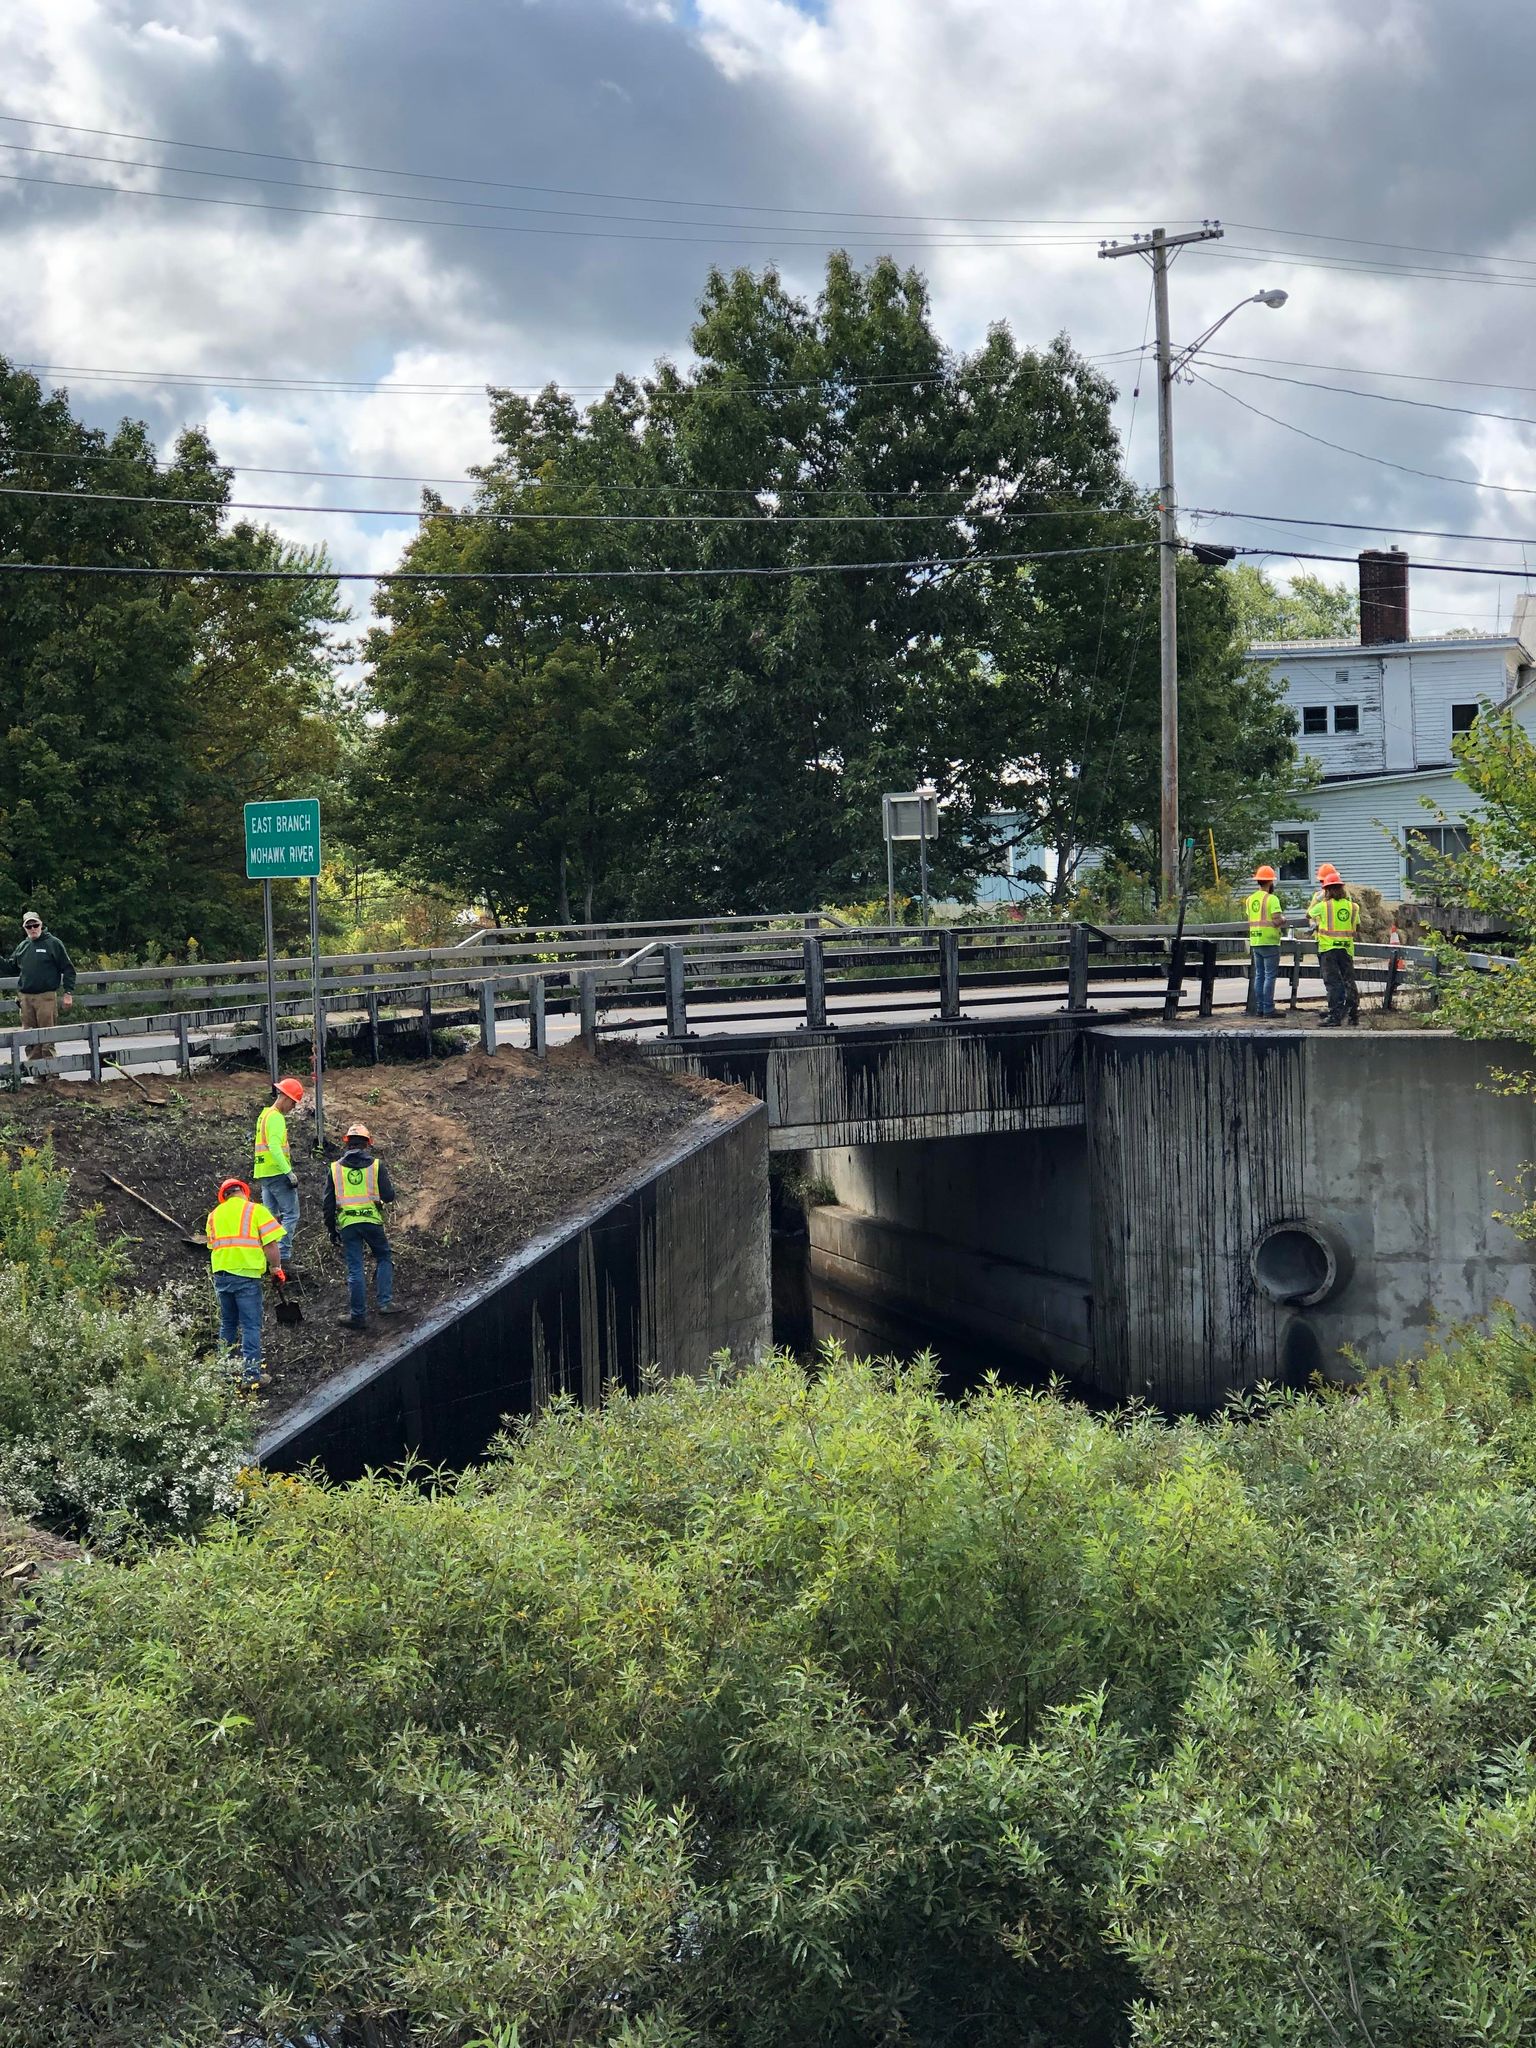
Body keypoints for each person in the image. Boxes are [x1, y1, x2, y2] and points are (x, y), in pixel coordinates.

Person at [203, 1176, 287, 1388]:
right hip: (246, 1276)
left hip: (221, 1276)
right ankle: (251, 1376)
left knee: (228, 1324)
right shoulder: (255, 1210)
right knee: (250, 1326)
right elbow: (271, 1244)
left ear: (224, 1196)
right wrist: (276, 1268)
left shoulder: (213, 1216)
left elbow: (213, 1246)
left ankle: (223, 1375)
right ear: (244, 1192)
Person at [324, 1121, 399, 1331]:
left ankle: (358, 1316)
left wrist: (331, 1229)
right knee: (383, 1256)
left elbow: (328, 1203)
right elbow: (389, 1196)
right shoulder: (376, 1166)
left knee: (355, 1269)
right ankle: (385, 1303)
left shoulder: (335, 1169)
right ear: (368, 1143)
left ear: (347, 1143)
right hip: (372, 1221)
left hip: (348, 1224)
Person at [9, 910, 76, 1064]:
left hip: (46, 997)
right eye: (29, 926)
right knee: (30, 1040)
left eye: (35, 925)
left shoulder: (53, 943)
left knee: (47, 1038)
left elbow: (68, 969)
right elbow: (11, 967)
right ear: (24, 928)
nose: (33, 929)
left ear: (41, 925)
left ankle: (52, 1074)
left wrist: (68, 992)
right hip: (25, 998)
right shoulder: (23, 946)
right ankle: (37, 1075)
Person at [253, 1077, 306, 1267]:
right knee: (291, 1214)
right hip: (277, 1173)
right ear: (285, 1097)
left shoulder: (264, 1114)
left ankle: (269, 1257)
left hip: (264, 1173)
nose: (293, 1107)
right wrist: (288, 1172)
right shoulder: (276, 1118)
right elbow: (274, 1147)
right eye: (293, 1102)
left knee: (270, 1217)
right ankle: (283, 1255)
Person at [1315, 874, 1360, 1027]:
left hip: (1328, 949)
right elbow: (1356, 926)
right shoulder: (1353, 906)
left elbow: (1309, 914)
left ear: (1327, 890)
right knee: (1349, 981)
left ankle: (1334, 1016)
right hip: (1346, 949)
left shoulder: (1323, 906)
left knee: (1333, 983)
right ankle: (1353, 1015)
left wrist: (1319, 898)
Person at [1244, 864, 1285, 1018]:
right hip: (1270, 941)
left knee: (1259, 975)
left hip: (1255, 940)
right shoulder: (1272, 899)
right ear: (1270, 882)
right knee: (1269, 976)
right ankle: (1268, 1009)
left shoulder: (1250, 899)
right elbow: (1276, 920)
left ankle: (1260, 1008)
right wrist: (1284, 919)